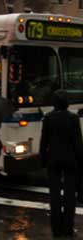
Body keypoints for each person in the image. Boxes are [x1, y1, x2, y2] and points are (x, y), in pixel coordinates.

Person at [40, 89, 83, 238]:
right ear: (67, 103)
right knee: (70, 195)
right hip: (70, 160)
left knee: (54, 195)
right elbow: (78, 142)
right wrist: (80, 160)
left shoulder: (48, 118)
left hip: (53, 160)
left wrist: (43, 159)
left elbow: (43, 141)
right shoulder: (73, 118)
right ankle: (68, 227)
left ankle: (56, 228)